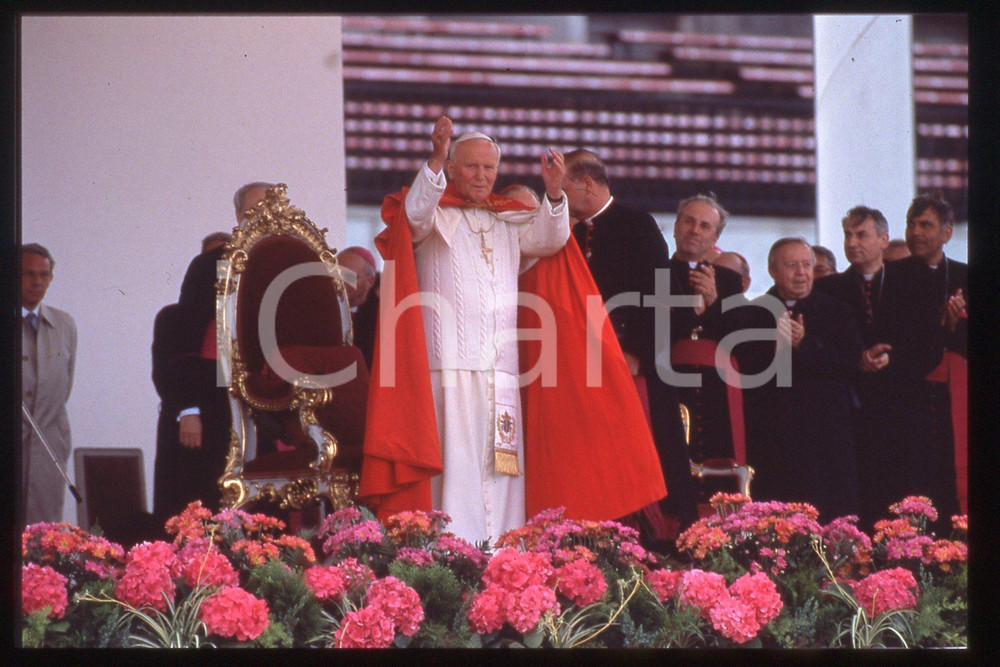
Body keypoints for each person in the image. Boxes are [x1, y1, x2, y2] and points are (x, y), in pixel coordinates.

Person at [360, 119, 666, 543]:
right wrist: (433, 158)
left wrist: (555, 193)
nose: (482, 175)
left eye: (489, 168)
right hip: (449, 366)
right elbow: (412, 215)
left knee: (502, 469)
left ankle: (504, 554)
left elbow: (551, 239)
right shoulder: (433, 216)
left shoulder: (508, 221)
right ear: (451, 169)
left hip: (502, 371)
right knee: (457, 466)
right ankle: (450, 552)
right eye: (471, 167)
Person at [562, 148, 699, 534]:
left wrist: (639, 353)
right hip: (584, 363)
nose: (556, 197)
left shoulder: (637, 225)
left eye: (563, 187)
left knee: (649, 456)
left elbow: (663, 302)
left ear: (587, 183)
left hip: (634, 364)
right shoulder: (570, 230)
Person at [154, 182, 271, 517]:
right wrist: (189, 409)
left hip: (263, 401)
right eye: (253, 212)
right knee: (204, 498)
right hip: (211, 397)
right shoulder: (209, 264)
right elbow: (185, 337)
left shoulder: (284, 263)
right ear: (238, 216)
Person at [736, 238, 862, 521]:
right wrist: (778, 346)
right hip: (774, 435)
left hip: (825, 435)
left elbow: (850, 362)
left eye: (807, 265)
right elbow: (746, 368)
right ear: (772, 270)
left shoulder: (837, 311)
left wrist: (805, 344)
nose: (802, 273)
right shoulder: (752, 313)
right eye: (792, 266)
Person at [876, 193, 967, 529]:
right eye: (911, 224)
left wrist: (956, 326)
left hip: (953, 402)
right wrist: (937, 324)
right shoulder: (891, 275)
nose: (916, 232)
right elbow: (888, 333)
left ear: (946, 233)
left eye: (925, 225)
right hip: (906, 399)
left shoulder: (964, 275)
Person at [812, 206, 896, 528]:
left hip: (896, 403)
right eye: (848, 235)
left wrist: (893, 356)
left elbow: (919, 338)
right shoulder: (828, 288)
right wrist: (856, 360)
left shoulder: (905, 283)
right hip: (846, 404)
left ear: (884, 240)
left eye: (862, 235)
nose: (852, 242)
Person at [21, 243, 77, 525]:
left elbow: (63, 385)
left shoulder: (64, 324)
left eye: (44, 275)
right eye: (29, 274)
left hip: (48, 449)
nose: (37, 281)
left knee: (44, 537)